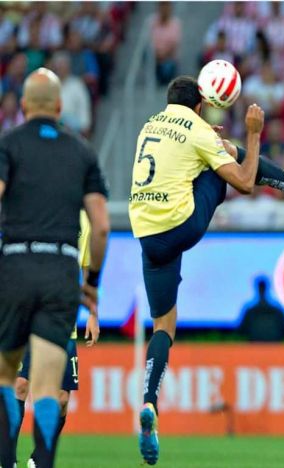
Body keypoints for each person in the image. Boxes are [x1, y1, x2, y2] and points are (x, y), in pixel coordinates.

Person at [130, 76, 284, 465]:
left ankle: (149, 404)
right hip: (181, 226)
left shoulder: (150, 124)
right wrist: (254, 135)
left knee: (164, 326)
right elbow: (243, 182)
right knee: (228, 162)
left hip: (146, 233)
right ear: (200, 106)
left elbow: (183, 140)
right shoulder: (198, 129)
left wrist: (209, 139)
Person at [0, 68, 109, 468]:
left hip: (15, 268)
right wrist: (92, 286)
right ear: (61, 107)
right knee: (44, 386)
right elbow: (101, 227)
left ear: (24, 105)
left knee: (10, 379)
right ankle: (37, 461)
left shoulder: (8, 146)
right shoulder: (82, 153)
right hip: (60, 277)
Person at [14, 211, 100, 467]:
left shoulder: (84, 219)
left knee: (61, 399)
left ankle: (37, 459)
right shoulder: (35, 207)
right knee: (20, 384)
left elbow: (85, 270)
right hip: (26, 315)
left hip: (64, 322)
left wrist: (93, 314)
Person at [239, 276, 284, 342]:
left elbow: (242, 330)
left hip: (272, 347)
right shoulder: (277, 310)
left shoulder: (250, 311)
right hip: (258, 347)